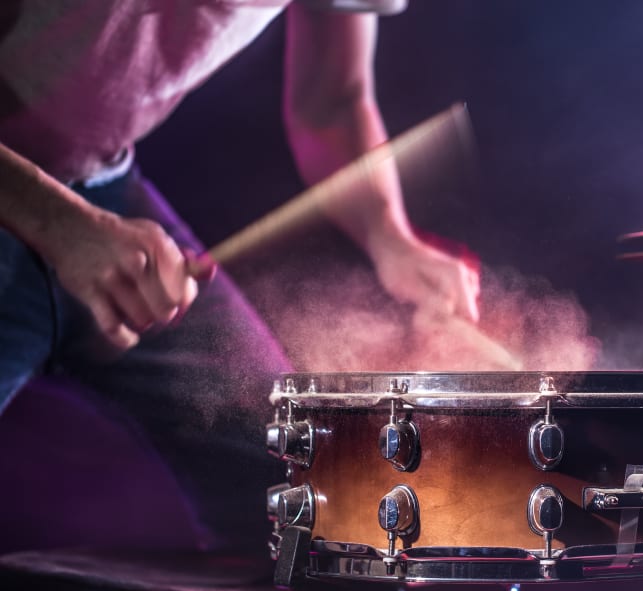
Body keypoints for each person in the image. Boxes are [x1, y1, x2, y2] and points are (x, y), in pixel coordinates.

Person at [0, 0, 481, 554]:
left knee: (314, 503)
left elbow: (333, 101)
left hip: (102, 188)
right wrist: (54, 221)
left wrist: (389, 236)